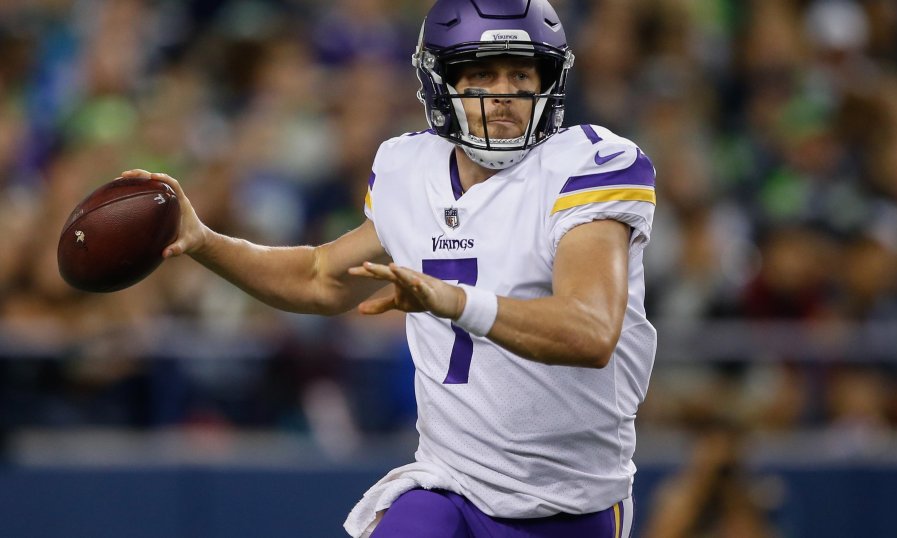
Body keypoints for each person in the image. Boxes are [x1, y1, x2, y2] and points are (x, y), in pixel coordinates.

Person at [123, 0, 657, 536]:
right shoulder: (410, 168)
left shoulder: (587, 165)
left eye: (521, 73)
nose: (503, 93)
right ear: (441, 82)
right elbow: (319, 276)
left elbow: (590, 331)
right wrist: (203, 241)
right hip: (451, 483)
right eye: (481, 73)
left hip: (567, 501)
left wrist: (453, 301)